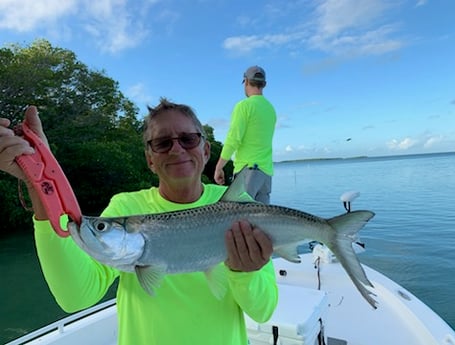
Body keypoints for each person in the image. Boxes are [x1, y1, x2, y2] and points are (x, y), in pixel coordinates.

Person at [0, 100, 278, 345]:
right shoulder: (126, 206)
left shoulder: (241, 207)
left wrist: (245, 273)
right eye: (162, 143)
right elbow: (76, 297)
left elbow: (264, 311)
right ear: (149, 159)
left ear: (206, 150)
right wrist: (37, 182)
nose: (176, 149)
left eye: (188, 139)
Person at [214, 65, 277, 204]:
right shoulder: (271, 109)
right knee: (262, 222)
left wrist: (219, 167)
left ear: (246, 81)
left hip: (248, 172)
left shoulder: (243, 106)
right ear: (264, 84)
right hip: (266, 174)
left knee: (240, 219)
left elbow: (233, 139)